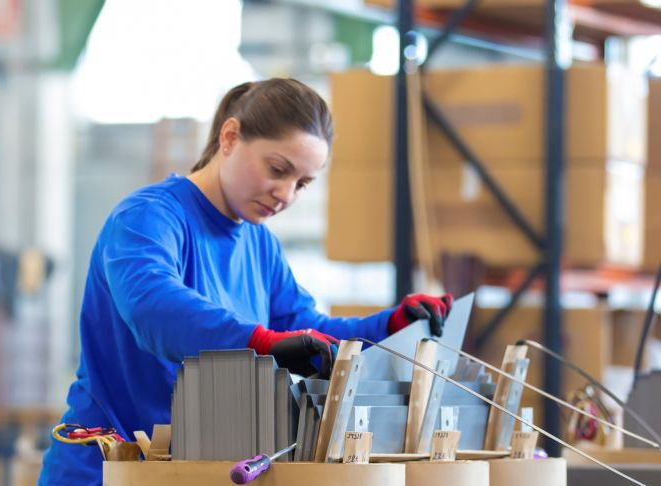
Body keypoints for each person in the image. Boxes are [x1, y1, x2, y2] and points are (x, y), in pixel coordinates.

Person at [38, 78, 452, 484]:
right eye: (278, 169)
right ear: (230, 137)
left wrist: (390, 326)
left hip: (191, 470)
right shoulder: (147, 217)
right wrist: (259, 344)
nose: (286, 194)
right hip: (109, 468)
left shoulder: (259, 244)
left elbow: (307, 333)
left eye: (302, 183)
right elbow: (154, 307)